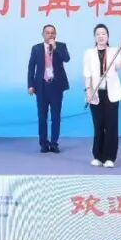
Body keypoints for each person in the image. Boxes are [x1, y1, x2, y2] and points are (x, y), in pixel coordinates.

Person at [82, 23, 121, 168]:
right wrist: (88, 90)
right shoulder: (89, 53)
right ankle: (98, 156)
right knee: (98, 125)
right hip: (96, 93)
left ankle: (110, 158)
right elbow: (87, 74)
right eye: (98, 34)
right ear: (94, 37)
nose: (101, 36)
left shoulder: (114, 51)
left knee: (111, 125)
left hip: (112, 93)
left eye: (103, 33)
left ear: (107, 36)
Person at [27, 24, 71, 154]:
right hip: (41, 86)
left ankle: (54, 143)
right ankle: (44, 143)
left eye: (52, 33)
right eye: (47, 32)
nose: (50, 35)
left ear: (55, 35)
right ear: (43, 34)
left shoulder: (61, 46)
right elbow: (31, 67)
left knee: (56, 116)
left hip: (56, 86)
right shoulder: (36, 48)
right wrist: (30, 85)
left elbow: (67, 59)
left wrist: (55, 48)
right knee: (42, 116)